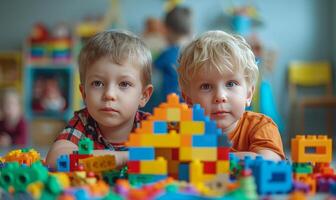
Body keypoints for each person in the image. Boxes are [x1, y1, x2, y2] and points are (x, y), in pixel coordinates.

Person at [46, 30, 153, 169]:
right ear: (84, 93)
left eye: (124, 84)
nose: (109, 94)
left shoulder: (150, 127)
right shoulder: (83, 123)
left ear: (143, 95)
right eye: (98, 83)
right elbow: (55, 159)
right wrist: (119, 158)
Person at [177, 30, 285, 160]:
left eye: (231, 84)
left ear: (248, 94)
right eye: (206, 86)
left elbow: (270, 161)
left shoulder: (261, 126)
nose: (220, 96)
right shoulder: (183, 130)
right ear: (188, 99)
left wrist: (217, 159)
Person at [149, 6, 192, 109]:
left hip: (172, 104)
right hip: (190, 103)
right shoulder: (193, 53)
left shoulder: (167, 53)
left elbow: (147, 70)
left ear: (166, 30)